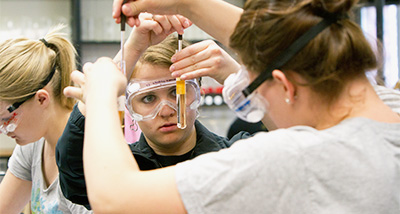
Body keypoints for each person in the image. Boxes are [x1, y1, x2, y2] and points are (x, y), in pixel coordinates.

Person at [67, 0, 400, 212]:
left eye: (250, 90)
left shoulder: (295, 157)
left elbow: (114, 198)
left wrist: (100, 94)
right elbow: (304, 44)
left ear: (284, 86)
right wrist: (187, 5)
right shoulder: (389, 111)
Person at [55, 13, 250, 210]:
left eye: (176, 92)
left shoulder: (234, 156)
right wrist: (131, 50)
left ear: (198, 92)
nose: (165, 111)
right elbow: (73, 171)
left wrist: (235, 75)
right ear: (129, 106)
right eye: (148, 98)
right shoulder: (118, 169)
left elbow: (281, 147)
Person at [0, 25, 91, 213]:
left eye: (6, 118)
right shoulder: (32, 145)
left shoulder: (86, 155)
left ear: (42, 99)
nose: (3, 129)